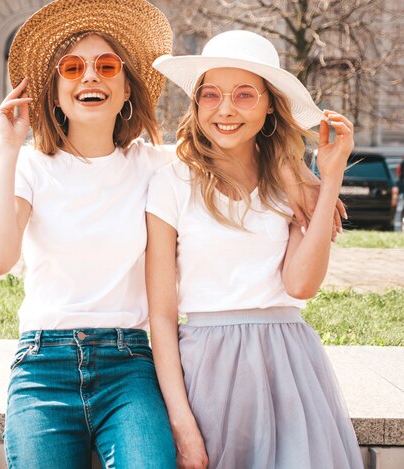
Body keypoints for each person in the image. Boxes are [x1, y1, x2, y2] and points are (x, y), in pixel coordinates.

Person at [146, 30, 364, 469]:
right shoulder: (171, 185)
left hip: (289, 364)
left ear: (269, 106)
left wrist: (330, 178)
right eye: (211, 95)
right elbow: (162, 317)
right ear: (197, 105)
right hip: (208, 366)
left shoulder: (290, 188)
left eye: (244, 95)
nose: (225, 109)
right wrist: (181, 422)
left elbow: (301, 285)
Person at [0, 1, 178, 467]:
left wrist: (306, 183)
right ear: (55, 92)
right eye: (72, 67)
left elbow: (227, 149)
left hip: (129, 365)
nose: (90, 76)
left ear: (127, 88)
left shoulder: (153, 165)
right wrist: (8, 146)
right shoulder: (29, 166)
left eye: (107, 66)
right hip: (43, 364)